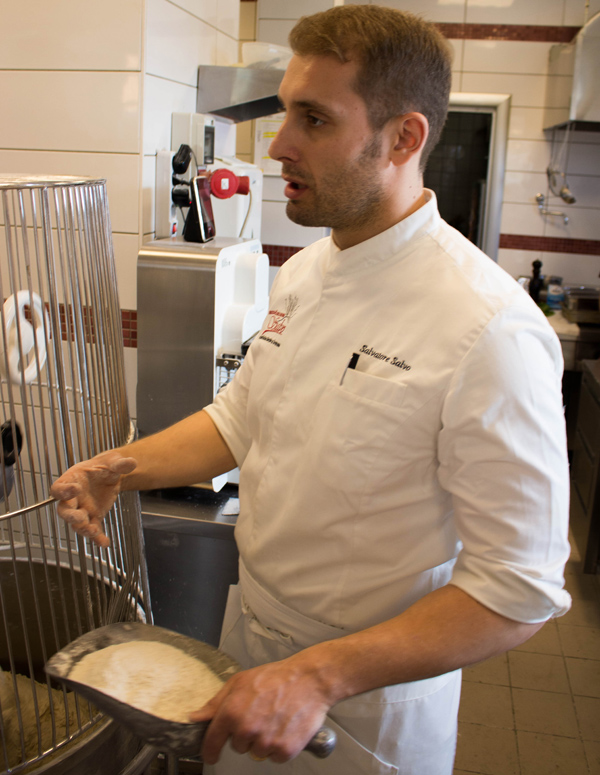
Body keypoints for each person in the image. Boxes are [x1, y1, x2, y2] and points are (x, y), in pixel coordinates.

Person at [51, 6, 572, 774]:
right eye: (286, 111)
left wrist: (321, 673)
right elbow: (240, 420)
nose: (280, 145)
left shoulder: (489, 328)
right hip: (252, 645)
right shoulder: (305, 272)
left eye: (314, 119)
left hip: (362, 706)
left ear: (404, 138)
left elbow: (519, 587)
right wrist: (120, 467)